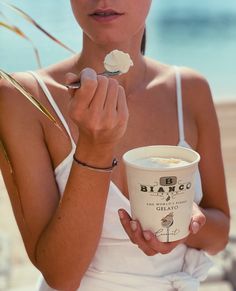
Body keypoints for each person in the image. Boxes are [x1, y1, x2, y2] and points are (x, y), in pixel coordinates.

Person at [0, 1, 230, 290]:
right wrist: (95, 147)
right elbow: (61, 275)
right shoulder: (22, 98)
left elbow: (220, 234)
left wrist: (183, 224)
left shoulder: (190, 90)